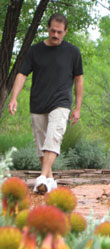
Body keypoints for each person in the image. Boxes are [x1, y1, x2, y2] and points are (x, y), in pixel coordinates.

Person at [8, 13, 84, 194]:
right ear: (47, 29)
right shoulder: (35, 51)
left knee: (54, 137)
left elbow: (79, 80)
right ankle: (49, 181)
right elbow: (22, 74)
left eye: (59, 32)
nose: (55, 35)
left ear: (66, 31)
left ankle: (41, 178)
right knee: (42, 145)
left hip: (61, 102)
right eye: (52, 31)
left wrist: (78, 107)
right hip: (38, 103)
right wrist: (14, 97)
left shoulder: (73, 52)